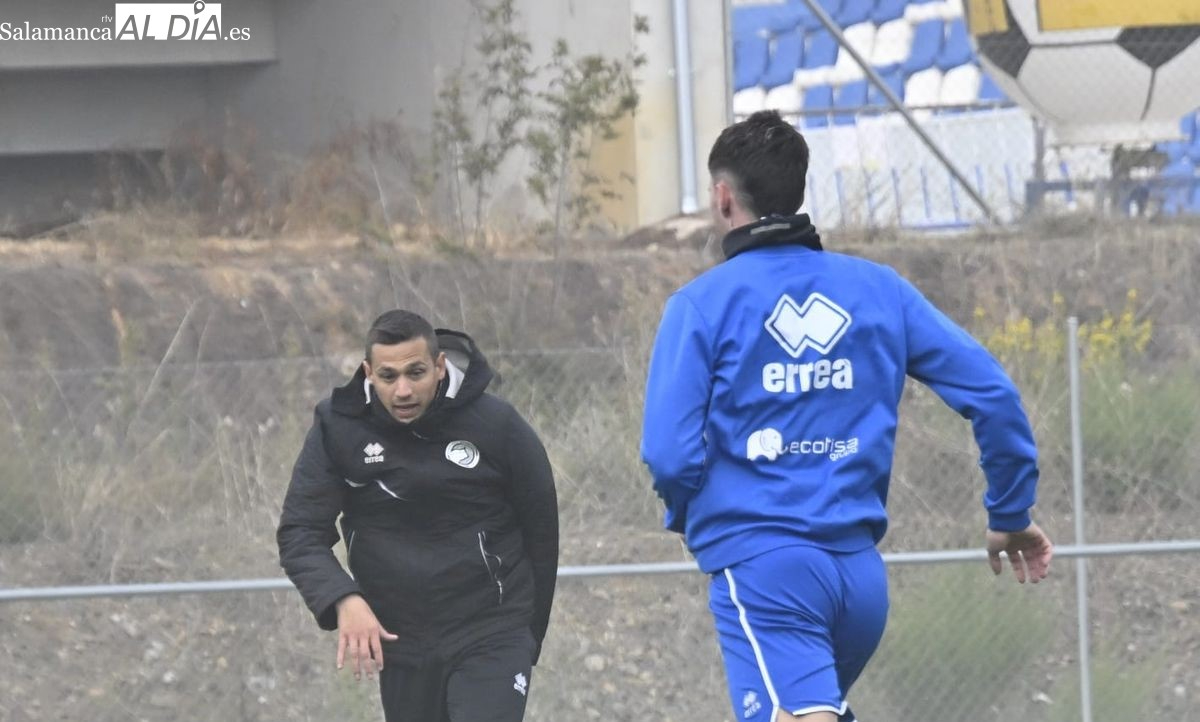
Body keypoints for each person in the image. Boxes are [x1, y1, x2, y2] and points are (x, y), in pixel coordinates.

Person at [640, 110, 1053, 722]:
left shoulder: (700, 306)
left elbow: (669, 454)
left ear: (723, 198)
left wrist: (698, 517)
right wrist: (1010, 514)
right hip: (859, 582)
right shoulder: (879, 290)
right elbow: (992, 393)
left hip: (766, 571)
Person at [278, 309, 558, 722]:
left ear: (440, 366)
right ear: (369, 373)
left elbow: (541, 530)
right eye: (389, 376)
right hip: (401, 638)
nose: (403, 390)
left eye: (416, 372)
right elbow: (300, 532)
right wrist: (343, 598)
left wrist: (527, 635)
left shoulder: (496, 425)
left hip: (490, 629)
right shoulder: (338, 428)